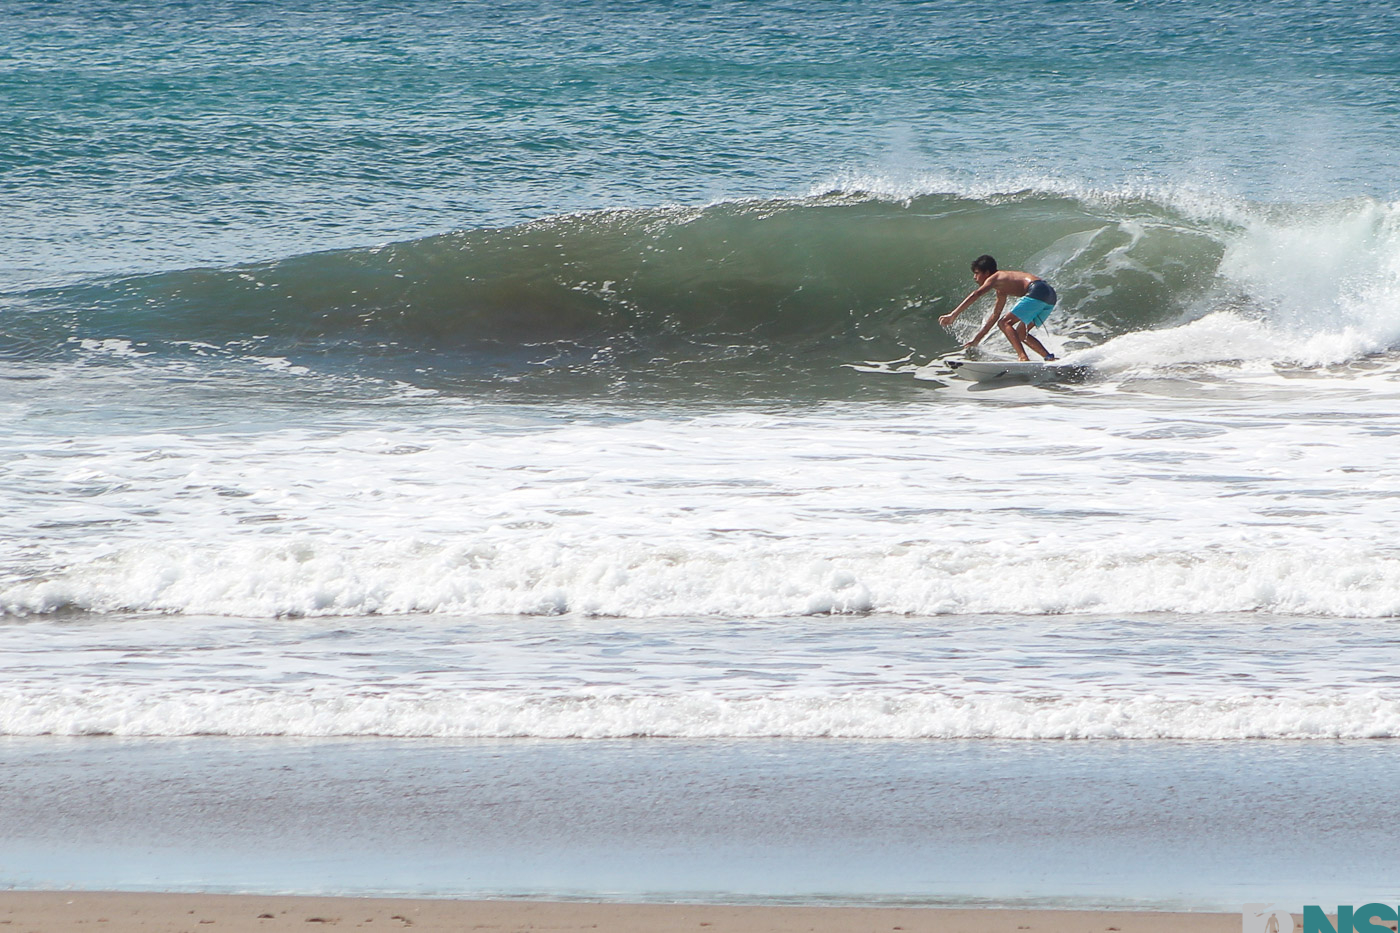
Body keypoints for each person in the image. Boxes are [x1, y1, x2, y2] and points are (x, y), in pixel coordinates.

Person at [938, 255, 1057, 361]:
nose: (975, 277)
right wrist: (977, 340)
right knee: (1022, 333)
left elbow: (976, 294)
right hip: (1050, 295)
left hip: (1037, 290)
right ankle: (1048, 357)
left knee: (1005, 322)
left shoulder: (995, 277)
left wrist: (953, 315)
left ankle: (1022, 357)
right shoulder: (1001, 288)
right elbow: (995, 315)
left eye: (977, 273)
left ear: (986, 273)